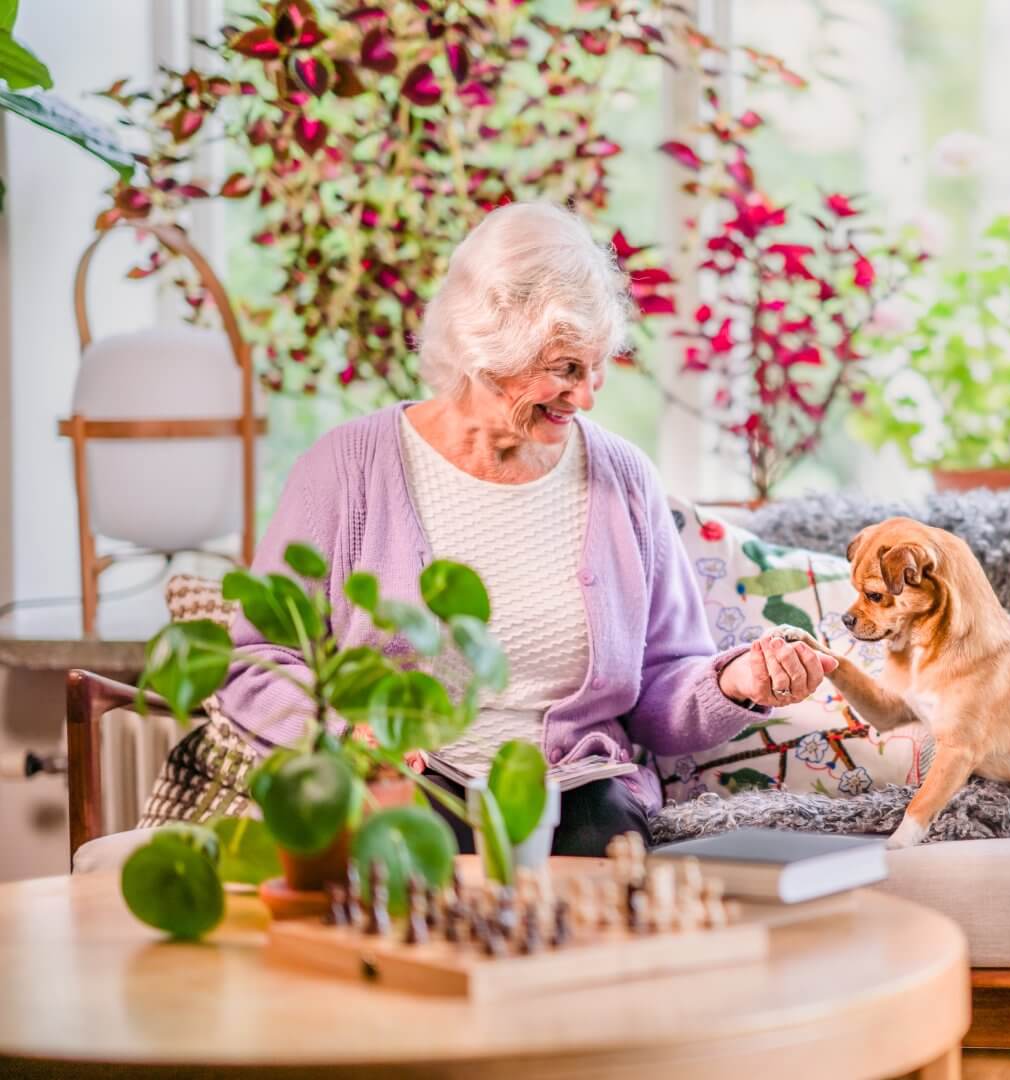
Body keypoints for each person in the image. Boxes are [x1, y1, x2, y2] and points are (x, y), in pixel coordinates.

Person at [141, 202, 835, 856]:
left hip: (575, 795)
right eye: (564, 369)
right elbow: (257, 660)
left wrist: (737, 681)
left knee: (601, 869)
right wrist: (340, 734)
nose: (587, 396)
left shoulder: (624, 479)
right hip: (395, 783)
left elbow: (662, 688)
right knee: (403, 859)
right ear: (485, 349)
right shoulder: (347, 468)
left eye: (597, 368)